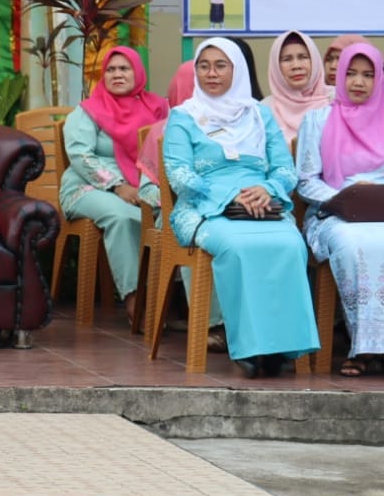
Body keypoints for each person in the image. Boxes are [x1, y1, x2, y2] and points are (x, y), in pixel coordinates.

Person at [162, 38, 319, 378]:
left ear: (237, 69)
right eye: (204, 66)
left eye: (221, 65)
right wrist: (228, 198)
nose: (211, 73)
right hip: (206, 207)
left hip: (262, 203)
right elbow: (180, 175)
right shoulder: (182, 117)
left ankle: (282, 346)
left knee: (290, 244)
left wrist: (267, 188)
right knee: (237, 247)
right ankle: (250, 347)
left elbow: (284, 169)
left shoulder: (260, 114)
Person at [59, 46, 167, 328]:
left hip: (143, 185)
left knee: (169, 219)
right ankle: (135, 301)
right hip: (89, 187)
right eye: (111, 69)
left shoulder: (157, 108)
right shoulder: (88, 111)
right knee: (124, 218)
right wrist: (117, 186)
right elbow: (81, 156)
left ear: (138, 73)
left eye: (124, 68)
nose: (117, 74)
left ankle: (169, 301)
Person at [296, 42, 384, 378]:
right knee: (352, 244)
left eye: (368, 75)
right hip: (332, 214)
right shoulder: (318, 120)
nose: (359, 82)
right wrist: (341, 200)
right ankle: (363, 345)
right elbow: (306, 180)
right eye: (351, 73)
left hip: (381, 215)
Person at [262, 30, 330, 144]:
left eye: (303, 57)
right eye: (287, 59)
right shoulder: (264, 110)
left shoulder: (335, 101)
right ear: (276, 66)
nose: (296, 66)